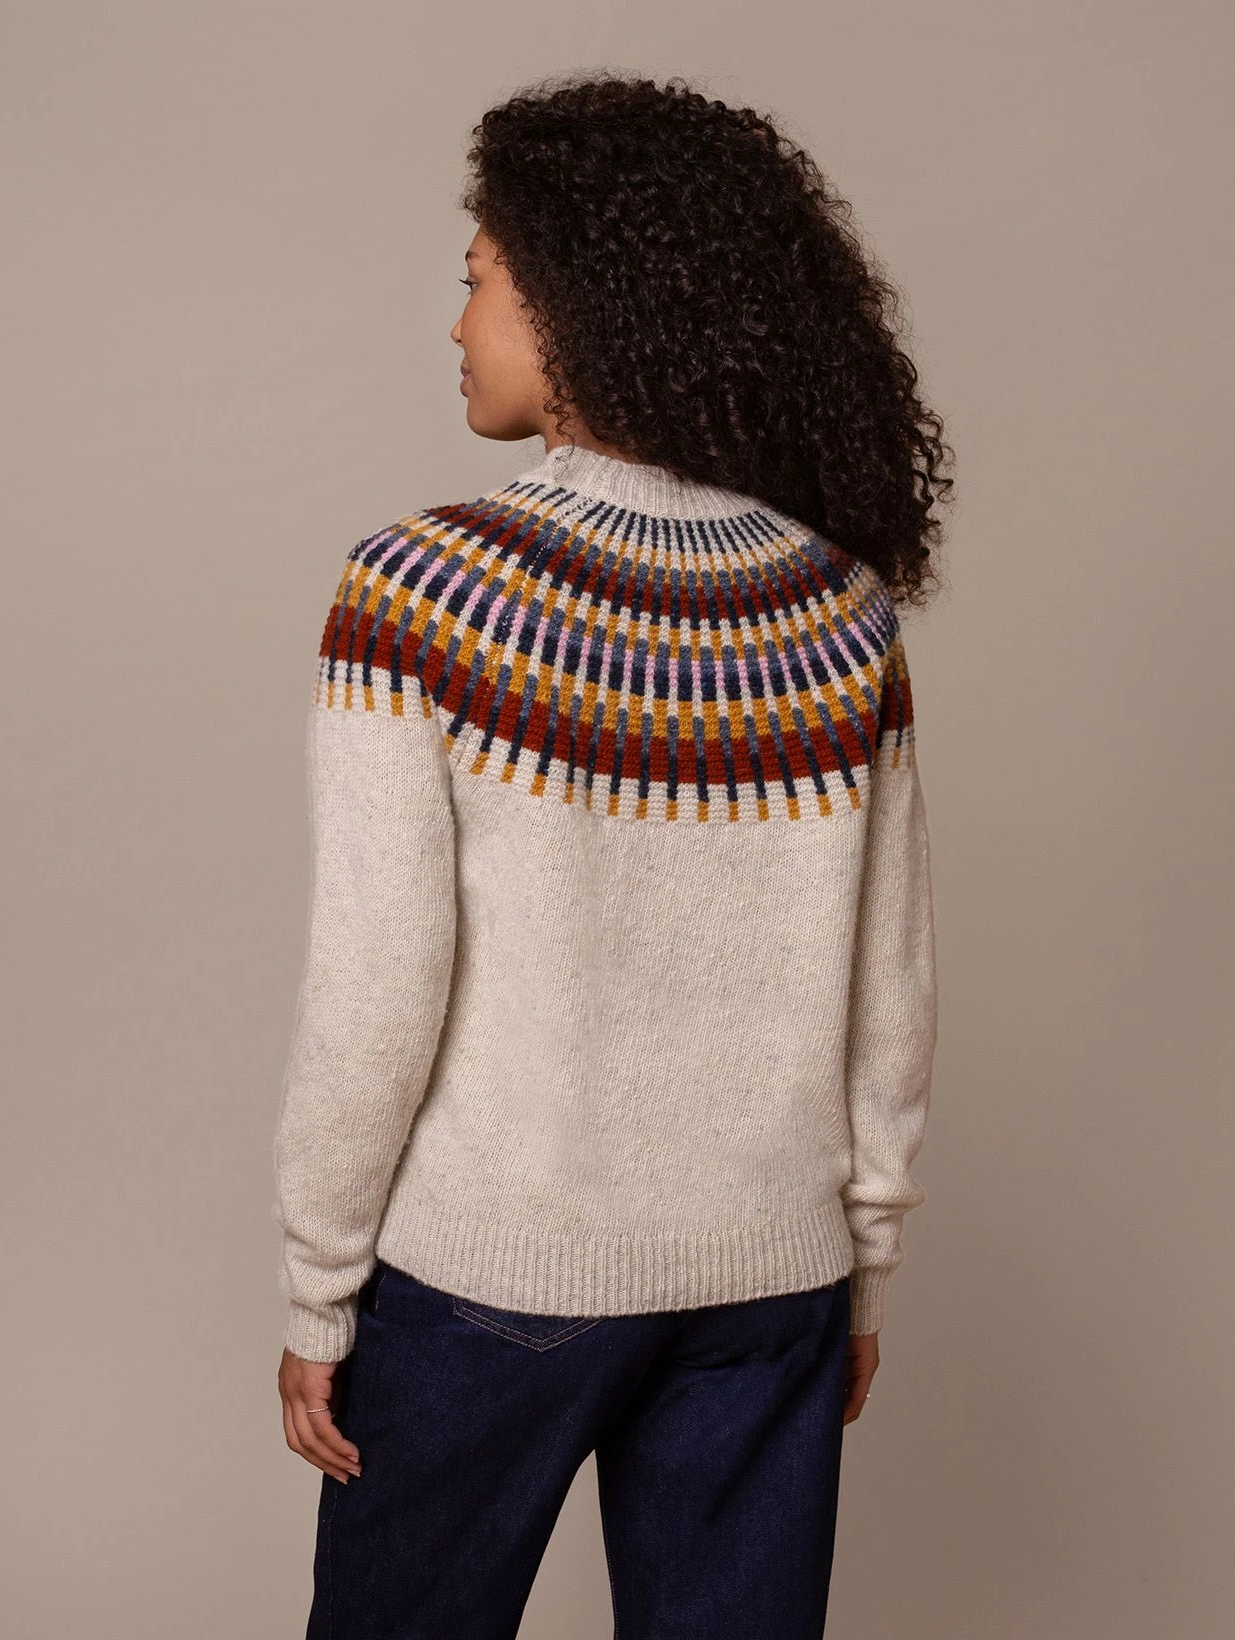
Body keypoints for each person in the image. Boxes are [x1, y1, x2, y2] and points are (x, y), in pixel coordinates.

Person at [272, 70, 952, 1640]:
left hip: (494, 1282)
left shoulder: (421, 592)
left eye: (478, 278)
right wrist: (856, 1266)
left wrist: (319, 1288)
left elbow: (379, 983)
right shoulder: (839, 612)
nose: (455, 324)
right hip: (768, 1286)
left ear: (577, 300)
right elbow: (893, 990)